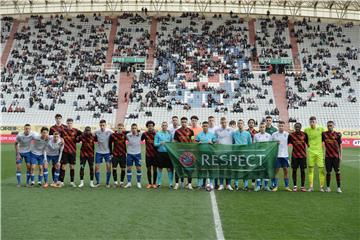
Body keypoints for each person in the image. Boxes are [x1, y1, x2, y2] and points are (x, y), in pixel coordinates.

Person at [304, 116, 325, 192]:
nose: (312, 123)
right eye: (311, 122)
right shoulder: (306, 130)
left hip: (319, 152)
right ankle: (311, 187)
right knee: (310, 170)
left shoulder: (321, 129)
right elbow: (305, 140)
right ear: (309, 122)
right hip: (310, 152)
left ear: (316, 122)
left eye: (313, 122)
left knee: (321, 170)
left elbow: (324, 139)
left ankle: (321, 187)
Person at [59, 118, 82, 187]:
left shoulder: (76, 130)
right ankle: (62, 182)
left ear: (72, 123)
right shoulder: (63, 131)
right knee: (63, 166)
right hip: (65, 151)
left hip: (73, 151)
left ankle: (72, 182)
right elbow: (58, 136)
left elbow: (82, 135)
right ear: (66, 123)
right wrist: (61, 139)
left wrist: (78, 139)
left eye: (70, 123)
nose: (69, 124)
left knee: (72, 167)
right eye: (68, 123)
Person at [173, 117, 194, 190]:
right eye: (182, 122)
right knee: (178, 168)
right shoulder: (177, 131)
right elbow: (175, 141)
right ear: (180, 122)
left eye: (185, 122)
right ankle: (176, 183)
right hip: (179, 152)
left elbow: (192, 141)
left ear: (187, 122)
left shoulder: (191, 131)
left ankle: (189, 184)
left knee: (189, 168)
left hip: (188, 153)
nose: (183, 123)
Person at [195, 121, 217, 190]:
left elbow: (215, 143)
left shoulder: (212, 134)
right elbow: (195, 142)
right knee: (201, 169)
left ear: (208, 126)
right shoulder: (199, 135)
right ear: (202, 127)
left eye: (206, 126)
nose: (205, 127)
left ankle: (211, 183)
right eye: (204, 126)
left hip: (210, 155)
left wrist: (212, 142)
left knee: (210, 169)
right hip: (201, 155)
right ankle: (199, 184)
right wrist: (198, 142)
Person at [322, 121, 342, 193]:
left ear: (334, 126)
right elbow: (321, 143)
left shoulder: (337, 134)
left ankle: (338, 188)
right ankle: (328, 187)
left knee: (337, 172)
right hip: (328, 156)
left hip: (336, 156)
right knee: (328, 172)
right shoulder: (324, 134)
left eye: (331, 125)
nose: (329, 127)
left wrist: (340, 155)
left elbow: (340, 145)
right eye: (328, 126)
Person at [232, 119, 252, 190]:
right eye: (239, 123)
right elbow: (232, 143)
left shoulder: (247, 133)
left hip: (245, 154)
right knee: (237, 169)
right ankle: (236, 184)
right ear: (237, 125)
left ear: (243, 125)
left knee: (245, 170)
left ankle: (246, 185)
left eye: (241, 123)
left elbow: (250, 144)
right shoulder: (234, 133)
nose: (240, 124)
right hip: (236, 153)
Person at [288, 122, 308, 192]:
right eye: (296, 127)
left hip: (303, 156)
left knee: (302, 171)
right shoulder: (291, 135)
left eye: (298, 127)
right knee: (294, 170)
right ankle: (295, 186)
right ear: (294, 128)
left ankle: (302, 186)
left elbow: (308, 144)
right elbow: (287, 143)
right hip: (295, 156)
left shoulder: (304, 134)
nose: (297, 128)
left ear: (300, 127)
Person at [272, 121, 291, 192]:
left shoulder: (287, 134)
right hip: (277, 155)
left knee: (285, 171)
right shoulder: (274, 135)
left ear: (284, 126)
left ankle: (287, 186)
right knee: (276, 171)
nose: (281, 127)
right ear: (278, 126)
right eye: (280, 126)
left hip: (285, 155)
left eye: (282, 126)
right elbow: (271, 144)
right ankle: (275, 186)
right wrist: (275, 143)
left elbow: (289, 143)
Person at [215, 117, 234, 191]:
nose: (223, 124)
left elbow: (234, 139)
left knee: (229, 169)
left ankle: (228, 184)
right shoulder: (217, 131)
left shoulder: (231, 130)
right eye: (222, 122)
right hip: (220, 152)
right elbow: (214, 139)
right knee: (221, 169)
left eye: (225, 122)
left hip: (229, 152)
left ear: (227, 122)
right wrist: (216, 141)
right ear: (220, 123)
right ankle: (221, 184)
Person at [154, 121, 174, 189]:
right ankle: (159, 183)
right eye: (163, 125)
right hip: (160, 153)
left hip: (168, 154)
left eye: (165, 125)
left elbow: (171, 143)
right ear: (161, 126)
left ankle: (171, 183)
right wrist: (160, 143)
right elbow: (155, 144)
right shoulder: (158, 134)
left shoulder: (169, 134)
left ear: (167, 126)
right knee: (160, 168)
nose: (164, 126)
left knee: (169, 169)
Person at [94, 119, 113, 188]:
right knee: (96, 167)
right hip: (99, 152)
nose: (102, 127)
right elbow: (90, 134)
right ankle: (98, 182)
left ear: (106, 125)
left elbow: (117, 135)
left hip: (107, 152)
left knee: (108, 167)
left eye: (103, 125)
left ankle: (107, 183)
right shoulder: (96, 131)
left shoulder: (110, 131)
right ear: (99, 125)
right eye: (101, 125)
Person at [253, 122, 272, 191]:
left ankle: (266, 186)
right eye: (261, 127)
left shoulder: (269, 136)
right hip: (258, 155)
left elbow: (271, 146)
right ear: (259, 128)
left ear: (265, 127)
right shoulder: (256, 136)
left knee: (266, 171)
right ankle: (258, 186)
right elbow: (254, 146)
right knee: (258, 171)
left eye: (263, 127)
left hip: (266, 156)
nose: (262, 128)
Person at [109, 123, 127, 188]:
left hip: (123, 154)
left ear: (123, 128)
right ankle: (115, 182)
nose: (120, 129)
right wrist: (111, 153)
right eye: (119, 128)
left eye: (121, 128)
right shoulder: (113, 135)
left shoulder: (125, 135)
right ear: (117, 128)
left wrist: (126, 152)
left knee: (123, 169)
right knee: (114, 168)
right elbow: (110, 144)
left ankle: (122, 183)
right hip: (115, 154)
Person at [49, 114, 66, 182]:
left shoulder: (64, 127)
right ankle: (54, 180)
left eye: (59, 118)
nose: (58, 119)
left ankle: (61, 181)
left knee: (62, 165)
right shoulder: (52, 128)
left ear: (61, 119)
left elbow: (65, 137)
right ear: (55, 119)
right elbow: (50, 137)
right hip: (55, 149)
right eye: (57, 118)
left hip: (62, 148)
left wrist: (62, 139)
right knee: (54, 165)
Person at [125, 123, 142, 188]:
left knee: (139, 168)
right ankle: (129, 182)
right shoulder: (128, 135)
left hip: (138, 154)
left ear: (137, 129)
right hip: (129, 154)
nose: (134, 129)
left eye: (135, 128)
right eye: (133, 128)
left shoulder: (140, 135)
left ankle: (138, 182)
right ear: (131, 129)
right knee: (129, 168)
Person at [141, 121, 158, 189]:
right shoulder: (144, 134)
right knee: (148, 169)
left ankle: (154, 183)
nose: (150, 127)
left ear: (153, 126)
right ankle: (149, 183)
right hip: (148, 154)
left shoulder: (156, 134)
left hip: (155, 154)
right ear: (147, 127)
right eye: (149, 126)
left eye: (151, 125)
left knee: (155, 169)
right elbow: (140, 140)